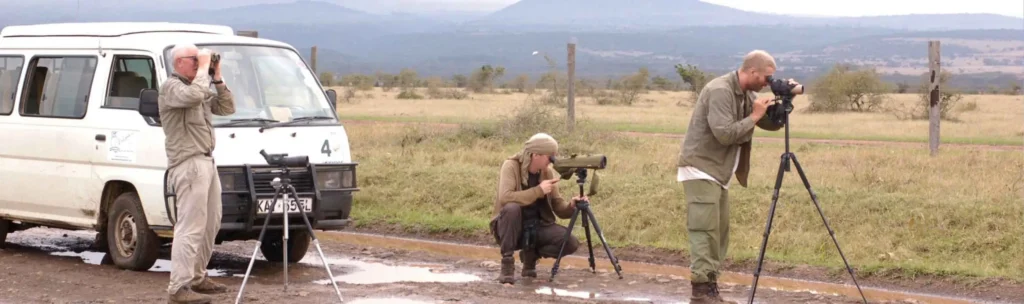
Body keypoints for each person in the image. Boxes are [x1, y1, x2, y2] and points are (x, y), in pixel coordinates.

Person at [676, 50, 792, 304]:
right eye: (766, 77)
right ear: (752, 71)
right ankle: (700, 292)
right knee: (704, 231)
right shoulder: (720, 91)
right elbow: (725, 134)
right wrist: (755, 115)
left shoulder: (746, 94)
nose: (767, 83)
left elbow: (769, 124)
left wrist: (784, 101)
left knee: (719, 233)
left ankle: (710, 290)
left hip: (718, 172)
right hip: (700, 167)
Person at [160, 43, 236, 304]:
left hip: (206, 161)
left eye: (199, 59)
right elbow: (193, 96)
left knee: (211, 222)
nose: (198, 62)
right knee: (190, 226)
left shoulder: (198, 87)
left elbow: (227, 108)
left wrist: (218, 76)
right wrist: (204, 68)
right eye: (193, 59)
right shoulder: (172, 87)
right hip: (188, 163)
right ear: (179, 62)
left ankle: (196, 277)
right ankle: (178, 288)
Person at [489, 133, 584, 284]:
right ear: (536, 155)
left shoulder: (547, 172)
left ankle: (531, 255)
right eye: (550, 156)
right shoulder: (511, 166)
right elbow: (505, 197)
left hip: (536, 227)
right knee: (512, 208)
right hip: (510, 228)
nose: (552, 160)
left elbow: (557, 205)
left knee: (570, 242)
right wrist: (538, 191)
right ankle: (507, 266)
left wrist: (572, 205)